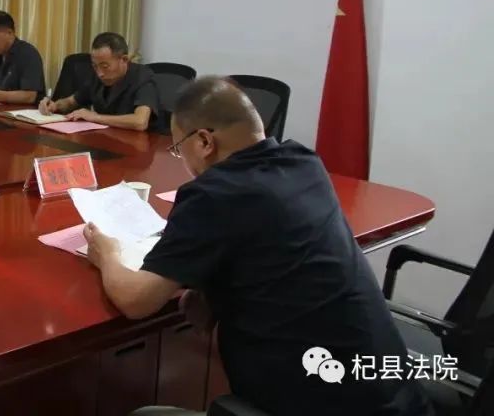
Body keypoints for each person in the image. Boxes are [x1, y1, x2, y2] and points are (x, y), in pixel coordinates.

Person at [83, 77, 432, 416]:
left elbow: (136, 301)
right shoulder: (303, 162)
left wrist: (107, 254)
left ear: (204, 141)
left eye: (178, 149)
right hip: (394, 397)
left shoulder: (214, 194)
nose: (181, 159)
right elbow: (271, 251)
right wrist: (214, 290)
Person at [38, 32, 160, 131]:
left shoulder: (143, 77)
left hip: (140, 145)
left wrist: (95, 117)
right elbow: (71, 102)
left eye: (105, 66)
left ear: (124, 60)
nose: (100, 73)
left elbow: (140, 122)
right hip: (106, 139)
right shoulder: (97, 76)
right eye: (95, 66)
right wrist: (54, 106)